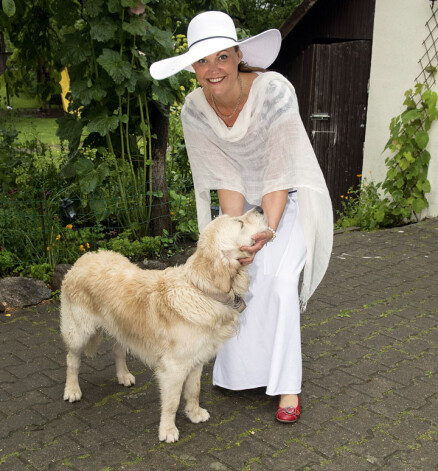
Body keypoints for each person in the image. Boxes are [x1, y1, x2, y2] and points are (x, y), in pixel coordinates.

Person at [150, 11, 333, 423]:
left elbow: (277, 174)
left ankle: (287, 387)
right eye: (202, 61)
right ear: (194, 69)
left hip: (287, 197)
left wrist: (262, 233)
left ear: (237, 56)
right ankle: (245, 374)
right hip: (240, 211)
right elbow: (226, 183)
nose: (213, 69)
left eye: (222, 57)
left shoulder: (275, 92)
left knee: (280, 283)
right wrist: (238, 242)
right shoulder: (194, 110)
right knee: (233, 284)